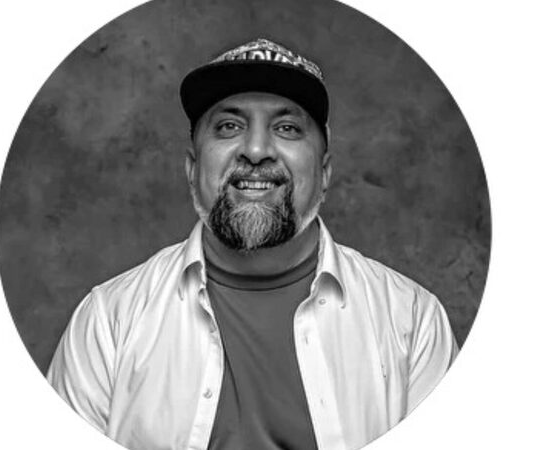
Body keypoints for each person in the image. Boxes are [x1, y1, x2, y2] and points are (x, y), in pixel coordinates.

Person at [47, 38, 458, 450]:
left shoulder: (412, 321)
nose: (257, 151)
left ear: (325, 173)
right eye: (229, 126)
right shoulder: (108, 321)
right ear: (192, 169)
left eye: (287, 128)